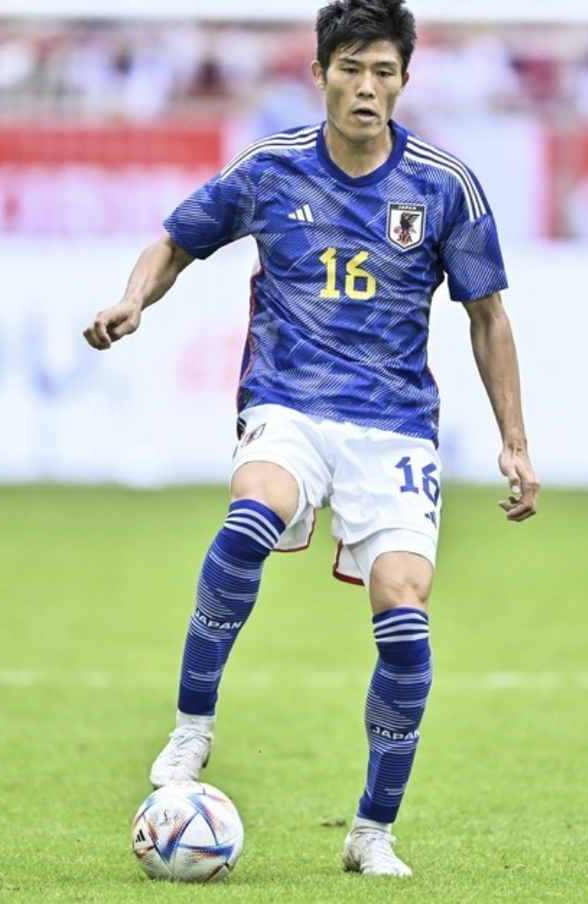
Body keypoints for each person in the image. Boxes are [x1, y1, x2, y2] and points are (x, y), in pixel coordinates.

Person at [83, 0, 539, 878]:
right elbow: (174, 243)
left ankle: (372, 833)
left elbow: (488, 316)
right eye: (351, 69)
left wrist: (514, 442)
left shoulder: (445, 185)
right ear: (320, 72)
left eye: (384, 73)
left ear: (404, 80)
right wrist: (134, 300)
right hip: (288, 402)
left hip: (394, 425)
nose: (367, 88)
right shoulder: (270, 169)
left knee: (405, 620)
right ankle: (191, 729)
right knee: (252, 515)